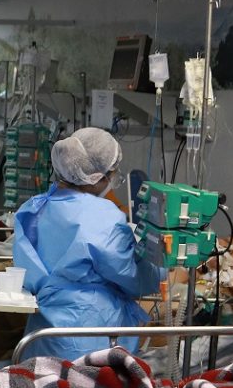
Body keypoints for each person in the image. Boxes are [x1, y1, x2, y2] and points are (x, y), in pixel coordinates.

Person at [13, 126, 164, 361]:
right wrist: (159, 264)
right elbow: (135, 277)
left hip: (43, 332)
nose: (112, 180)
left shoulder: (35, 207)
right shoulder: (101, 216)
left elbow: (28, 274)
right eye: (112, 174)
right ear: (96, 177)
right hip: (87, 334)